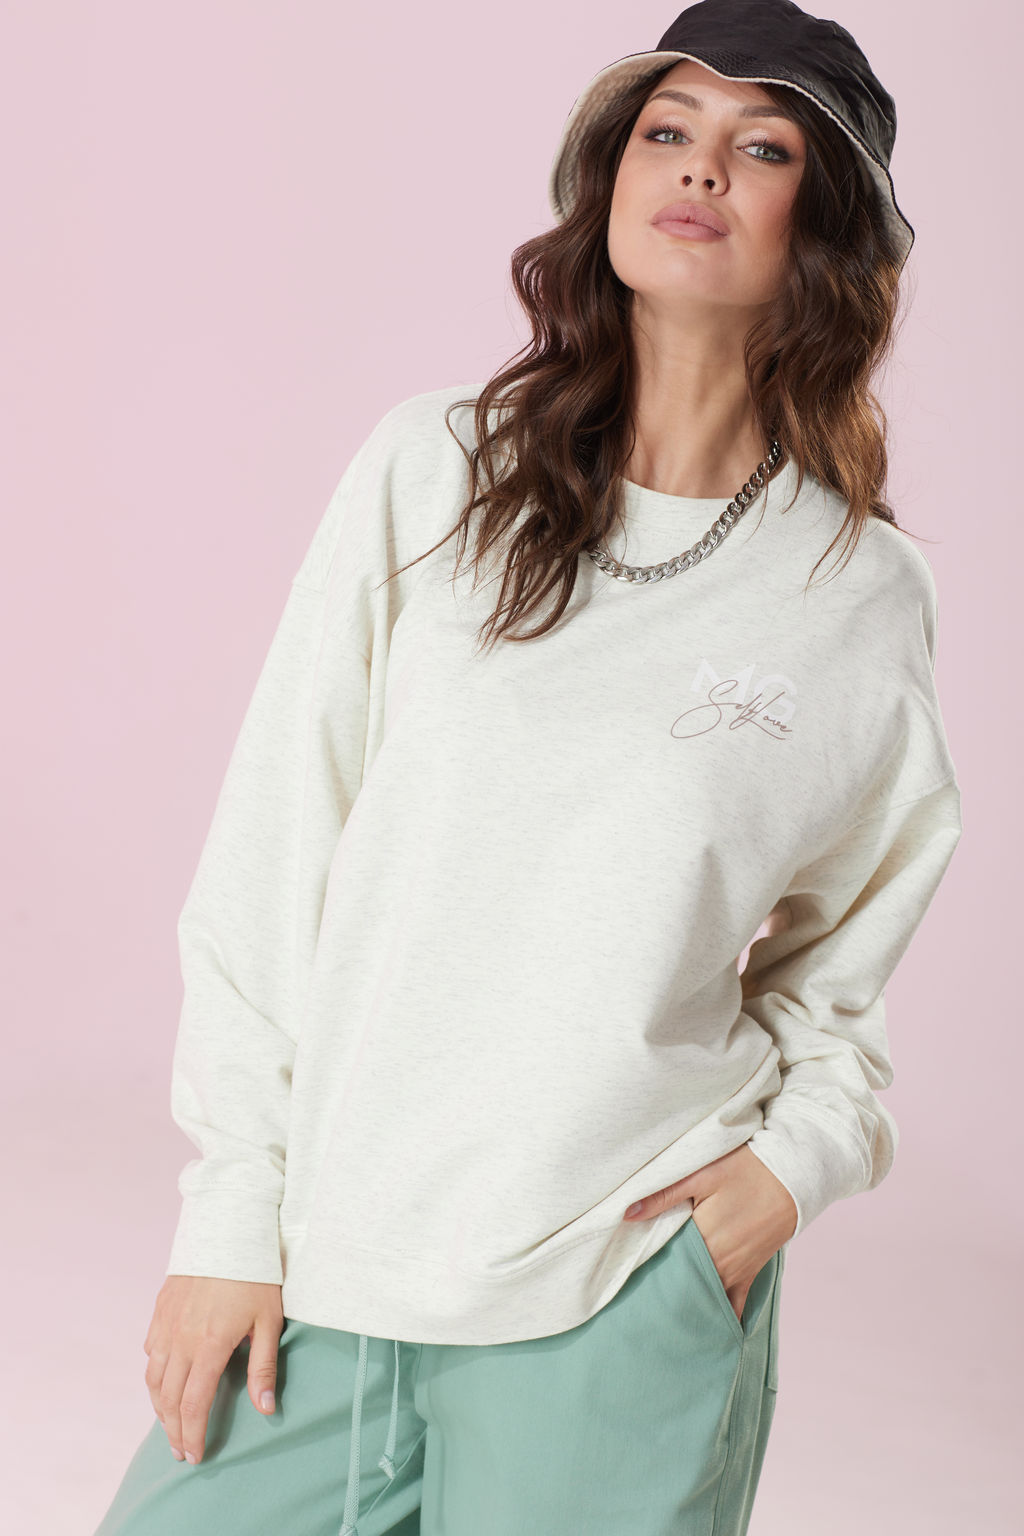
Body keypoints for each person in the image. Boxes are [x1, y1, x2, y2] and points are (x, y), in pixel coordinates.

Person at [94, 3, 963, 1533]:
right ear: (610, 178)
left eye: (761, 147)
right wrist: (230, 1217)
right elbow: (275, 853)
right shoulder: (433, 469)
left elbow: (841, 965)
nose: (700, 168)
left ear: (822, 228)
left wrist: (787, 1177)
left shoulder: (856, 594)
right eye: (666, 131)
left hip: (619, 1291)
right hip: (331, 1262)